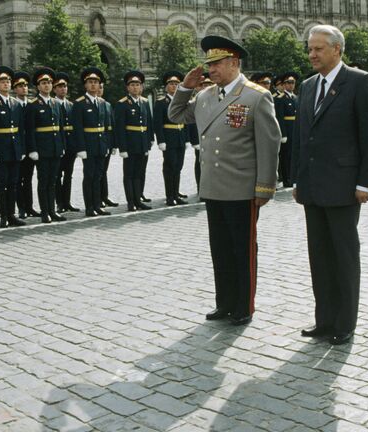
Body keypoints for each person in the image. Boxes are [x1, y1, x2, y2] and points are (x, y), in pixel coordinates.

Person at [169, 35, 280, 326]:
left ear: (233, 62)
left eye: (216, 64)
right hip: (214, 187)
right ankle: (225, 302)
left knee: (242, 251)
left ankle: (244, 305)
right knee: (220, 249)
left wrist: (265, 187)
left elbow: (269, 145)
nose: (211, 70)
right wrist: (185, 87)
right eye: (209, 64)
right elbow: (176, 114)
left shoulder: (255, 96)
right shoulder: (205, 96)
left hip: (242, 188)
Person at [291, 25, 368, 345]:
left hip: (345, 187)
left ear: (337, 50)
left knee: (344, 257)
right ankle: (324, 320)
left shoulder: (360, 81)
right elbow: (302, 138)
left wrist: (365, 182)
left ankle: (345, 323)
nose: (312, 54)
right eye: (310, 48)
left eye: (318, 48)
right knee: (319, 256)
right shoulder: (306, 86)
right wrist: (297, 179)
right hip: (313, 187)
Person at [0, 66, 27, 228]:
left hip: (15, 149)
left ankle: (12, 214)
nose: (6, 84)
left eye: (8, 81)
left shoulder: (16, 104)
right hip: (0, 150)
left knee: (14, 183)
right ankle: (3, 216)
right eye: (3, 81)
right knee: (2, 183)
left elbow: (21, 129)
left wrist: (22, 149)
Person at [25, 67, 66, 223]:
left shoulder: (56, 103)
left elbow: (60, 128)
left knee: (53, 180)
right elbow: (30, 130)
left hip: (55, 148)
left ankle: (52, 210)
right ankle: (45, 212)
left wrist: (62, 145)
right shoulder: (33, 105)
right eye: (44, 83)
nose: (47, 85)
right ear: (38, 86)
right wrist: (33, 149)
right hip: (42, 150)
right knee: (43, 181)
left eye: (49, 82)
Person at [71, 67, 111, 217]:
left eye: (96, 82)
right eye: (90, 82)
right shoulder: (80, 103)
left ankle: (97, 204)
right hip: (88, 145)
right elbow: (78, 128)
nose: (93, 85)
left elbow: (105, 127)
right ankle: (89, 207)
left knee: (98, 176)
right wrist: (81, 148)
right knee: (89, 176)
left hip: (100, 145)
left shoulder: (101, 102)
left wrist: (106, 145)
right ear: (85, 85)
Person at [115, 70, 154, 212]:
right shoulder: (122, 104)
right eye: (132, 85)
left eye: (137, 84)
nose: (135, 87)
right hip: (130, 144)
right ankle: (131, 202)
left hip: (143, 143)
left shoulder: (144, 102)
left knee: (139, 172)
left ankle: (138, 199)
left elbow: (149, 122)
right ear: (127, 88)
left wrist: (150, 139)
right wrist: (122, 148)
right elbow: (119, 128)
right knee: (129, 174)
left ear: (141, 87)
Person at [153, 71, 189, 206]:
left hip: (180, 137)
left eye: (176, 84)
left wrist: (186, 139)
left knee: (178, 167)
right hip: (169, 139)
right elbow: (157, 123)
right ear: (166, 86)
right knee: (170, 167)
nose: (174, 86)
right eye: (171, 84)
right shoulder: (161, 102)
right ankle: (170, 196)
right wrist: (161, 140)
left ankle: (176, 194)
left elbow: (185, 120)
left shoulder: (182, 102)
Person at [13, 71, 39, 219]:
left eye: (25, 85)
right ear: (15, 89)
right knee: (18, 180)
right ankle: (21, 208)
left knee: (28, 179)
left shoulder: (32, 105)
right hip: (17, 148)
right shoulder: (13, 105)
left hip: (30, 147)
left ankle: (29, 207)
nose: (24, 88)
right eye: (20, 86)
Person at [53, 72, 80, 213]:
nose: (63, 89)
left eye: (65, 86)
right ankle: (59, 202)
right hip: (58, 145)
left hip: (70, 146)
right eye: (59, 86)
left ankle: (67, 202)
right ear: (54, 89)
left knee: (68, 175)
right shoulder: (52, 104)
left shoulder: (71, 105)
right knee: (58, 176)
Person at [98, 82, 119, 209]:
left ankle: (104, 196)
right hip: (98, 142)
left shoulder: (107, 105)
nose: (100, 90)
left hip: (107, 142)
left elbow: (112, 126)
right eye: (98, 87)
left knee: (104, 171)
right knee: (98, 172)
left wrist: (114, 144)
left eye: (101, 87)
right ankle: (99, 198)